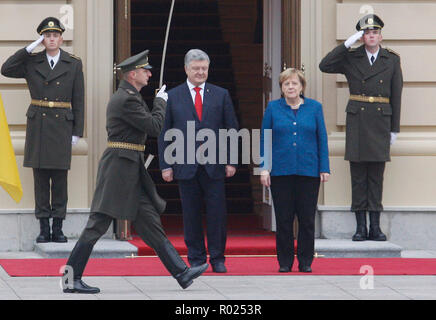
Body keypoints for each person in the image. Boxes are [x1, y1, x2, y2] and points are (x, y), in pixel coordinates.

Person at [62, 50, 208, 294]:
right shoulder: (127, 99)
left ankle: (181, 273)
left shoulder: (131, 96)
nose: (149, 74)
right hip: (119, 168)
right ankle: (70, 279)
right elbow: (154, 126)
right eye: (144, 70)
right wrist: (161, 102)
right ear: (132, 74)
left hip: (128, 166)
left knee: (150, 222)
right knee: (97, 224)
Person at [319, 14, 403, 241]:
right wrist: (346, 44)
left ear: (380, 35)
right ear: (361, 36)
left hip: (380, 121)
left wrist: (394, 129)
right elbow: (324, 65)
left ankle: (375, 226)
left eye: (374, 32)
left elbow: (397, 94)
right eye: (366, 33)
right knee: (358, 176)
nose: (371, 36)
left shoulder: (391, 59)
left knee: (376, 176)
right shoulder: (351, 56)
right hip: (358, 120)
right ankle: (360, 227)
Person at [1, 17, 84, 243]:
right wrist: (29, 48)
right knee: (40, 180)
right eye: (47, 36)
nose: (51, 39)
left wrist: (78, 131)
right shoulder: (31, 61)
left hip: (61, 126)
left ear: (61, 38)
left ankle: (58, 227)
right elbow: (6, 69)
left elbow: (79, 99)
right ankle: (43, 227)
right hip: (39, 124)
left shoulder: (73, 63)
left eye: (55, 35)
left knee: (59, 180)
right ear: (42, 39)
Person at [158, 49, 239, 273]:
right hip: (184, 164)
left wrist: (231, 161)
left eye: (204, 68)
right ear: (186, 69)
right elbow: (165, 132)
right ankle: (196, 257)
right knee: (191, 213)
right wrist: (166, 165)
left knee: (217, 213)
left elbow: (231, 129)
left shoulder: (220, 94)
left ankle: (218, 258)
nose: (200, 72)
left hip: (215, 165)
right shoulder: (173, 96)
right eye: (196, 69)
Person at [260, 68, 330, 273]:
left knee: (307, 219)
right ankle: (284, 262)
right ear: (281, 88)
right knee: (284, 219)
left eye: (294, 84)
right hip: (281, 171)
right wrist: (264, 168)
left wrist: (324, 167)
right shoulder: (273, 108)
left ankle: (306, 261)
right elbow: (265, 138)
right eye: (286, 84)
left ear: (301, 87)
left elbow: (322, 138)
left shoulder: (315, 108)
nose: (290, 87)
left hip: (308, 171)